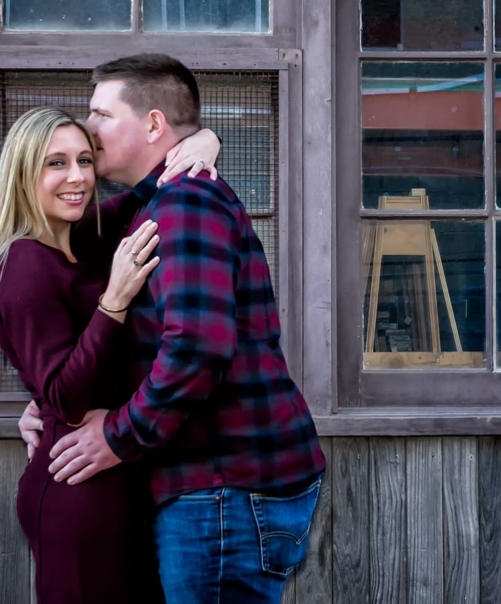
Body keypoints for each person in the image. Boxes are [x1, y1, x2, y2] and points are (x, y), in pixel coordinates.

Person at [22, 54, 327, 604]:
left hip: (224, 489)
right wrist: (52, 402)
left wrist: (116, 436)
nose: (89, 130)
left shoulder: (185, 205)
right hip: (219, 486)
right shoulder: (162, 200)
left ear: (154, 125)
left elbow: (197, 349)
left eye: (101, 115)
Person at [0, 105, 220, 603]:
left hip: (114, 479)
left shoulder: (80, 238)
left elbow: (145, 190)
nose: (78, 177)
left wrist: (206, 140)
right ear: (24, 172)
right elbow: (65, 397)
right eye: (56, 163)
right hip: (77, 488)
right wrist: (114, 301)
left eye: (85, 161)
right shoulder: (23, 263)